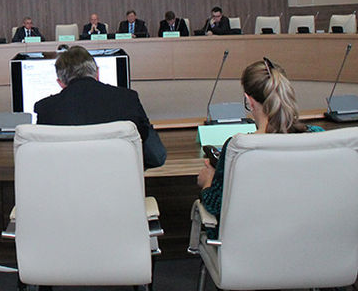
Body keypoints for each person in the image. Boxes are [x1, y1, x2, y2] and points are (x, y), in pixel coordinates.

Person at [196, 58, 324, 233]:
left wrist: (207, 181)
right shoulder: (317, 136)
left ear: (249, 101)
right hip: (311, 237)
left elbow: (216, 206)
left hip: (253, 243)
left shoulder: (239, 148)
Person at [34, 46, 166, 169]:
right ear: (97, 73)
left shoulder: (45, 108)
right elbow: (156, 156)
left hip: (67, 184)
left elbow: (42, 162)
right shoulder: (128, 99)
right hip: (118, 183)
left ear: (60, 82)